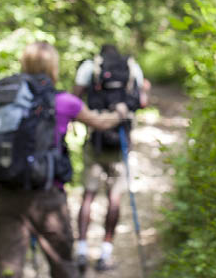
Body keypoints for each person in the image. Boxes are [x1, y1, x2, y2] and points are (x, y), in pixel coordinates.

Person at [0, 41, 129, 278]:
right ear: (53, 66)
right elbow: (101, 122)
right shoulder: (64, 102)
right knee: (63, 266)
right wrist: (120, 113)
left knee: (9, 270)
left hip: (6, 192)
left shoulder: (5, 97)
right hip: (47, 195)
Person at [72, 45, 146, 273]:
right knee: (114, 198)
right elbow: (141, 101)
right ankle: (105, 253)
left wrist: (92, 118)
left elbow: (74, 99)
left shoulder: (89, 67)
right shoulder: (132, 67)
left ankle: (82, 251)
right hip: (122, 140)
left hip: (95, 141)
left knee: (88, 195)